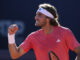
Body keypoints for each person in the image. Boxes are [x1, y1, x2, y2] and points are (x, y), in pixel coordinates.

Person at [8, 3, 80, 60]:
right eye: (36, 15)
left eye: (39, 15)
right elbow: (15, 55)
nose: (36, 17)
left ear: (48, 18)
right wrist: (11, 35)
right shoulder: (33, 37)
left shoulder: (65, 32)